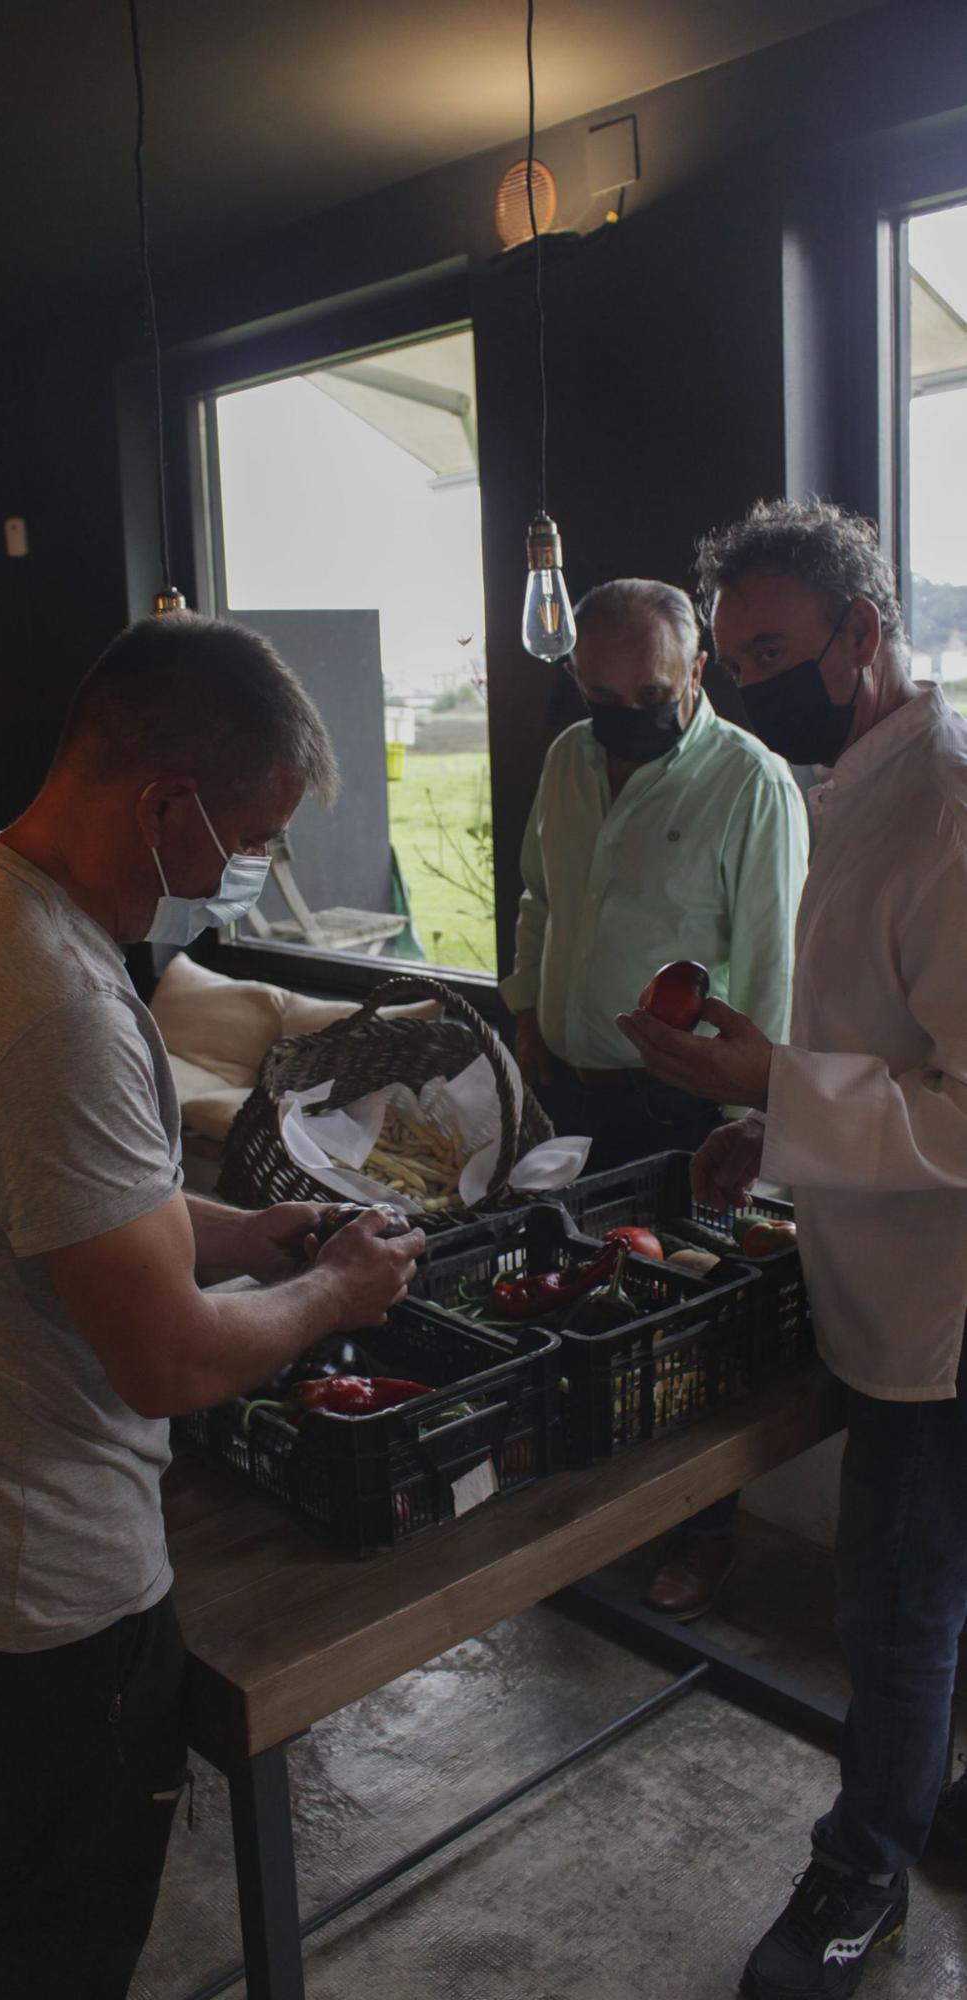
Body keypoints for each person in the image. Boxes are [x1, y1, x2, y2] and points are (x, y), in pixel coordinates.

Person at [0, 611, 425, 2000]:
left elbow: (65, 1219)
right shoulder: (64, 1015)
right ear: (166, 804)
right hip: (47, 1605)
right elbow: (161, 1355)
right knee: (56, 1949)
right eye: (247, 831)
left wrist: (250, 1234)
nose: (244, 867)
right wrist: (337, 1290)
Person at [618, 498, 967, 1999]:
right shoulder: (855, 789)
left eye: (767, 653)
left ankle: (862, 1871)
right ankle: (921, 1808)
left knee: (893, 1598)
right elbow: (874, 1043)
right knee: (926, 1587)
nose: (742, 681)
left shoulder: (949, 810)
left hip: (944, 1307)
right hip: (880, 1263)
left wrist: (774, 1089)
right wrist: (775, 1136)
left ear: (862, 636)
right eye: (732, 653)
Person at [501, 577, 808, 1617]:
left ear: (695, 674)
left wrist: (749, 1122)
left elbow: (771, 968)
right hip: (570, 1092)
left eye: (647, 689)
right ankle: (578, 1519)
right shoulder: (566, 760)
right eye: (600, 690)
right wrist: (526, 1011)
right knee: (573, 1310)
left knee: (692, 1335)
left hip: (684, 1108)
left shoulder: (751, 783)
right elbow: (539, 898)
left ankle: (702, 1533)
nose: (622, 710)